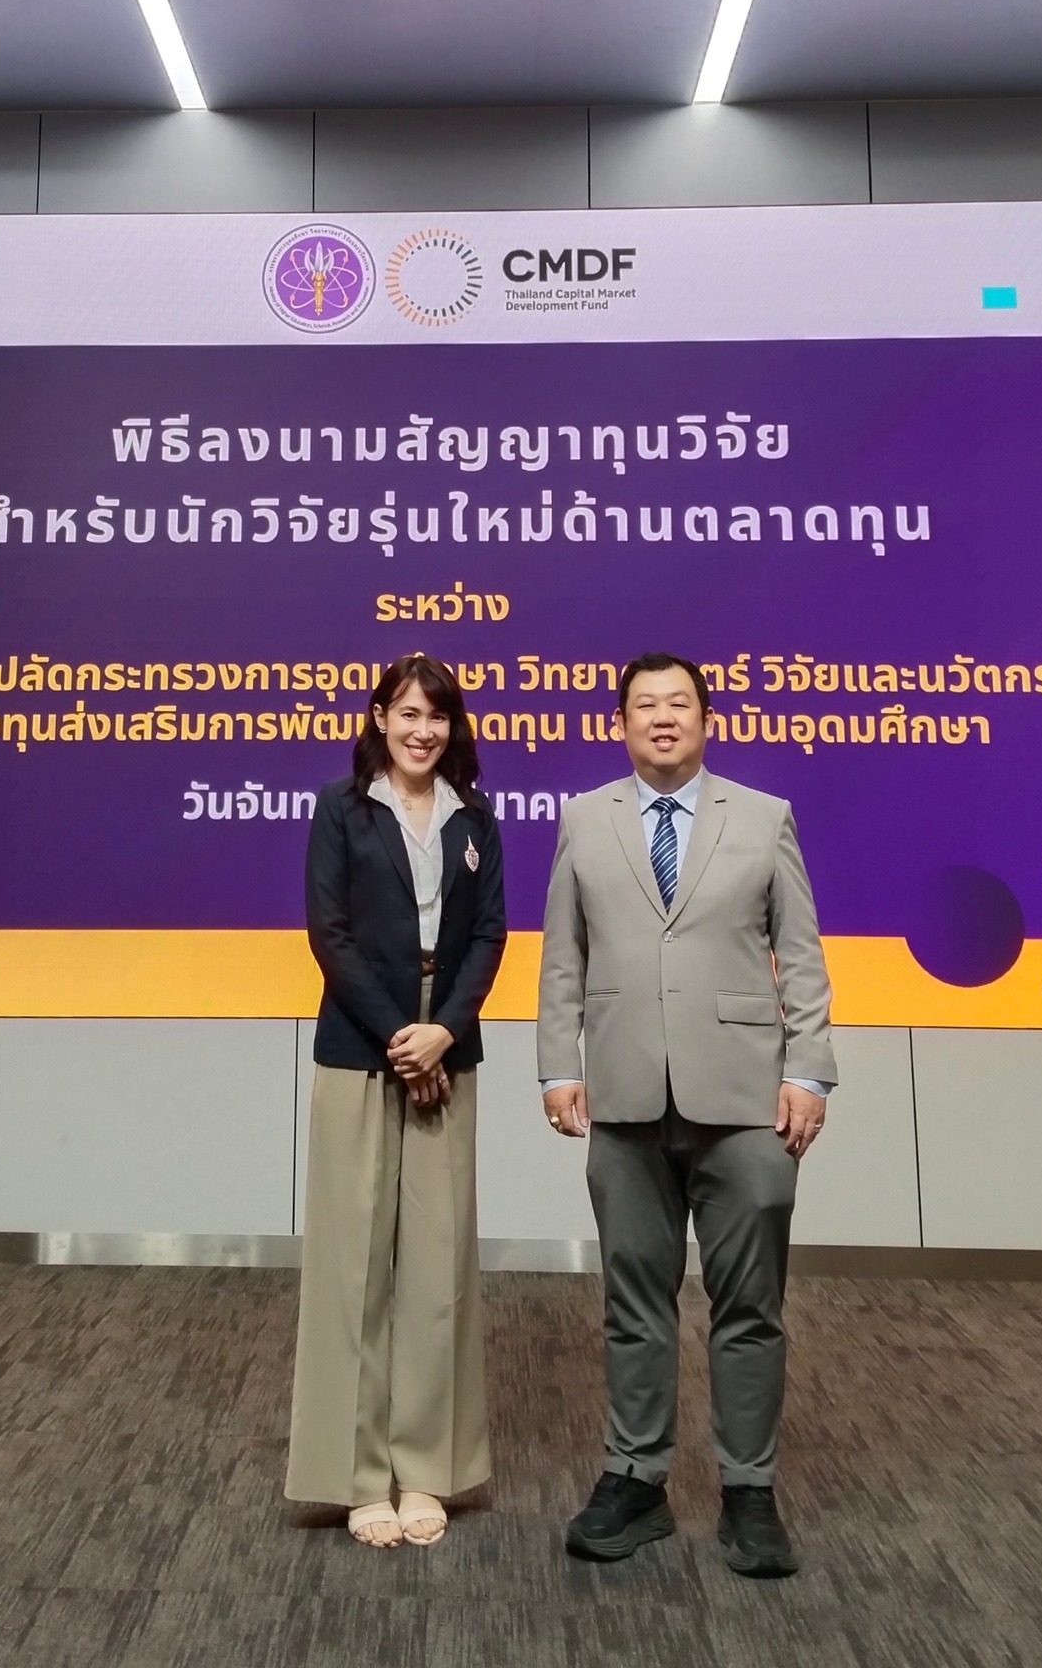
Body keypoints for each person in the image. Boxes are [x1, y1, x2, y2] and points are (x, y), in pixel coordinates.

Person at [537, 651, 836, 1576]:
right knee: (633, 1301)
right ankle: (636, 1481)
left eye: (679, 704)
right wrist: (558, 1066)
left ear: (708, 719)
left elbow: (802, 953)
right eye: (644, 705)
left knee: (751, 1305)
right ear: (620, 723)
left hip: (747, 1101)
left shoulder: (764, 816)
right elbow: (562, 956)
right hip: (624, 1095)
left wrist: (810, 1072)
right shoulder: (584, 819)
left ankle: (750, 1491)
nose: (662, 718)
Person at [287, 652, 506, 1549]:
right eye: (408, 713)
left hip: (446, 1046)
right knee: (353, 1265)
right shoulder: (340, 809)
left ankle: (426, 1471)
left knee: (437, 1267)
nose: (423, 731)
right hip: (361, 1043)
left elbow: (489, 935)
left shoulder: (475, 817)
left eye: (437, 716)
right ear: (379, 716)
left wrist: (442, 1032)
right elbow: (329, 934)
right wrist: (399, 1038)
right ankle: (355, 1476)